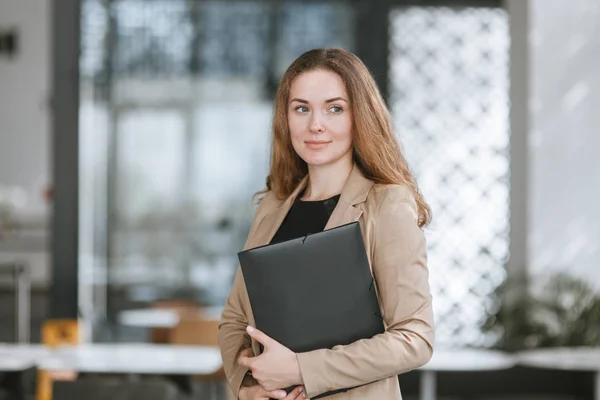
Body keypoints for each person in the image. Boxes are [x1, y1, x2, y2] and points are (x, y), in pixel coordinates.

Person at [218, 48, 434, 400]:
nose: (315, 124)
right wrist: (248, 385)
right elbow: (234, 319)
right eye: (301, 108)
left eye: (335, 108)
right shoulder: (273, 205)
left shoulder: (387, 204)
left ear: (359, 116)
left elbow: (415, 338)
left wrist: (302, 369)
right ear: (285, 119)